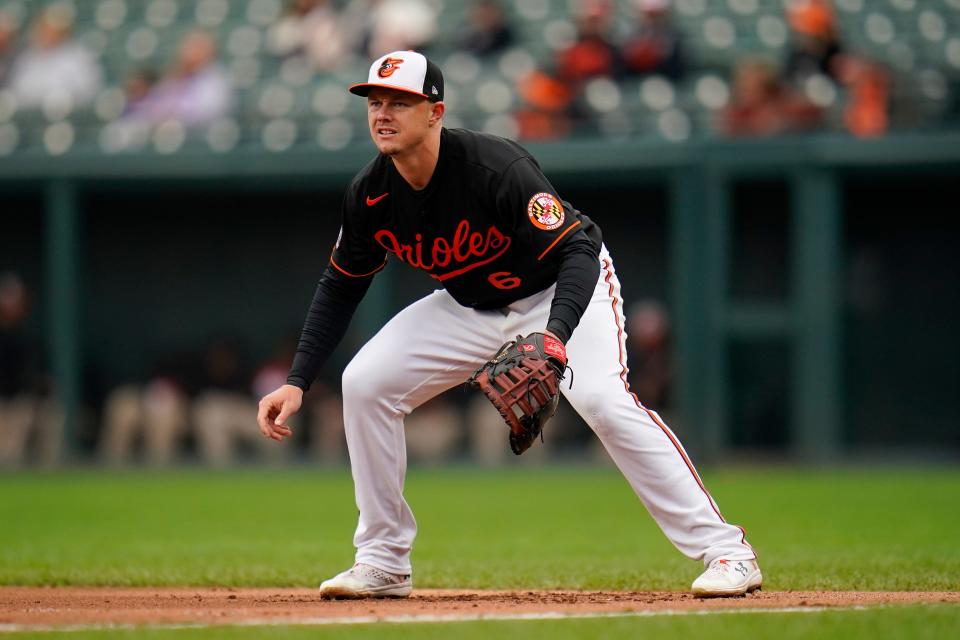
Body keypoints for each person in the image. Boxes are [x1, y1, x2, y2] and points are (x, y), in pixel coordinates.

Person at [257, 51, 760, 599]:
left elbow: (577, 251)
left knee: (601, 400)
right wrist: (299, 378)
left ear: (435, 112)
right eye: (375, 103)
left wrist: (556, 337)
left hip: (561, 291)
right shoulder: (370, 195)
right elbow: (341, 285)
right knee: (364, 384)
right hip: (469, 307)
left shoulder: (494, 168)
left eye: (400, 103)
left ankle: (728, 552)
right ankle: (382, 561)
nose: (383, 113)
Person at [6, 4, 102, 109]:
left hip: (70, 115)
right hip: (31, 116)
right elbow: (17, 91)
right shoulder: (27, 59)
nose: (48, 35)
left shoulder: (78, 58)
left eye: (54, 31)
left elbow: (89, 91)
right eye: (45, 30)